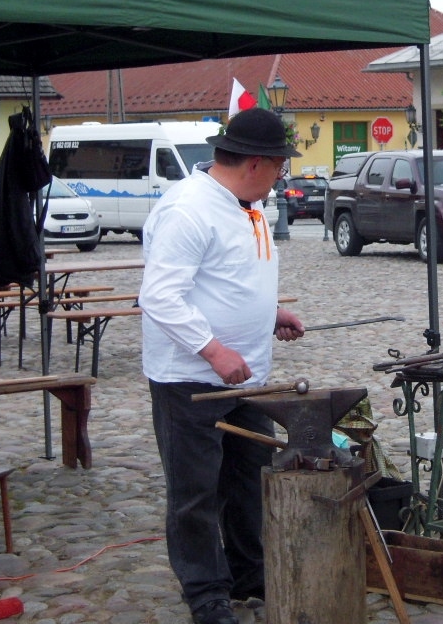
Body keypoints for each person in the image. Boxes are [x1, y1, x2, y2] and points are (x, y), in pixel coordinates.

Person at [138, 109, 305, 624]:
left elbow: (227, 278)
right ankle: (206, 591)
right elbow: (160, 296)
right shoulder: (187, 209)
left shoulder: (248, 206)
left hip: (248, 377)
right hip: (190, 379)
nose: (281, 175)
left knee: (248, 480)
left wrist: (268, 313)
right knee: (196, 492)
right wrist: (212, 349)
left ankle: (249, 572)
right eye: (279, 165)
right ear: (255, 163)